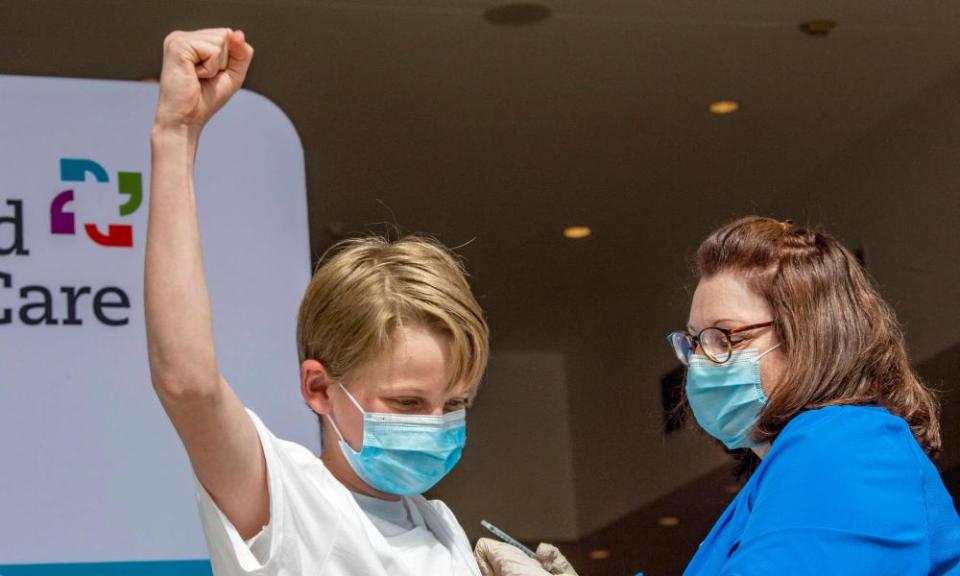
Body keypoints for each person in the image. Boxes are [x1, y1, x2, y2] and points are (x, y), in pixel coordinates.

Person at [147, 27, 500, 575]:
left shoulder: (440, 527)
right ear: (318, 387)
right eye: (408, 403)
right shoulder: (286, 498)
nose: (436, 426)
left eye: (453, 404)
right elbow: (187, 382)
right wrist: (176, 135)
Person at [475, 216, 960, 575]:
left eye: (726, 337)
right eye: (694, 342)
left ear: (810, 336)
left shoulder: (847, 444)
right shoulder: (782, 477)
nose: (702, 362)